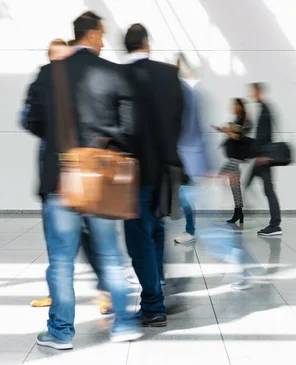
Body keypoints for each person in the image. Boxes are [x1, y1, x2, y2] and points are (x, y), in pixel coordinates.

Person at [22, 11, 141, 349]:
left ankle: (60, 332)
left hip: (60, 178)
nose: (104, 42)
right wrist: (107, 143)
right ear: (91, 35)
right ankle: (124, 324)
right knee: (110, 255)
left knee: (61, 261)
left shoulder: (48, 73)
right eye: (101, 36)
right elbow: (129, 130)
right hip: (101, 179)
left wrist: (60, 140)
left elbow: (31, 120)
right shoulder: (113, 73)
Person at [25, 39, 111, 315]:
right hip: (59, 174)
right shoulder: (45, 80)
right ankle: (60, 295)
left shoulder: (76, 80)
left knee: (88, 240)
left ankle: (105, 290)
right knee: (59, 244)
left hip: (81, 172)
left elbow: (31, 120)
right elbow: (29, 117)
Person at [122, 24, 184, 328]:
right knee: (157, 232)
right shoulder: (169, 75)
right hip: (166, 169)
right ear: (147, 43)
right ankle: (157, 292)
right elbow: (179, 121)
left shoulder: (119, 76)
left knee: (139, 239)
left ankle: (153, 306)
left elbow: (122, 128)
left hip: (134, 173)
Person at [174, 53, 211, 245]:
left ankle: (191, 230)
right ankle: (190, 229)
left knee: (185, 193)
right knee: (182, 193)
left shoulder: (189, 94)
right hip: (180, 154)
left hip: (185, 155)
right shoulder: (184, 93)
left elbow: (195, 128)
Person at [245, 82, 282, 236]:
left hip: (264, 158)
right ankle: (246, 210)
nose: (251, 94)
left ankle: (275, 224)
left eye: (252, 92)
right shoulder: (263, 108)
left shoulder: (265, 109)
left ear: (258, 92)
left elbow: (265, 135)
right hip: (261, 156)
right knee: (251, 185)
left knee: (268, 190)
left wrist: (263, 155)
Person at [215, 98, 252, 224]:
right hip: (233, 156)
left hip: (236, 157)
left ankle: (238, 212)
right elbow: (235, 134)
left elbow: (238, 136)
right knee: (235, 186)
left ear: (240, 107)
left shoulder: (246, 121)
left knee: (222, 175)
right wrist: (225, 130)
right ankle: (238, 212)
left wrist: (228, 131)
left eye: (235, 105)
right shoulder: (237, 120)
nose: (233, 108)